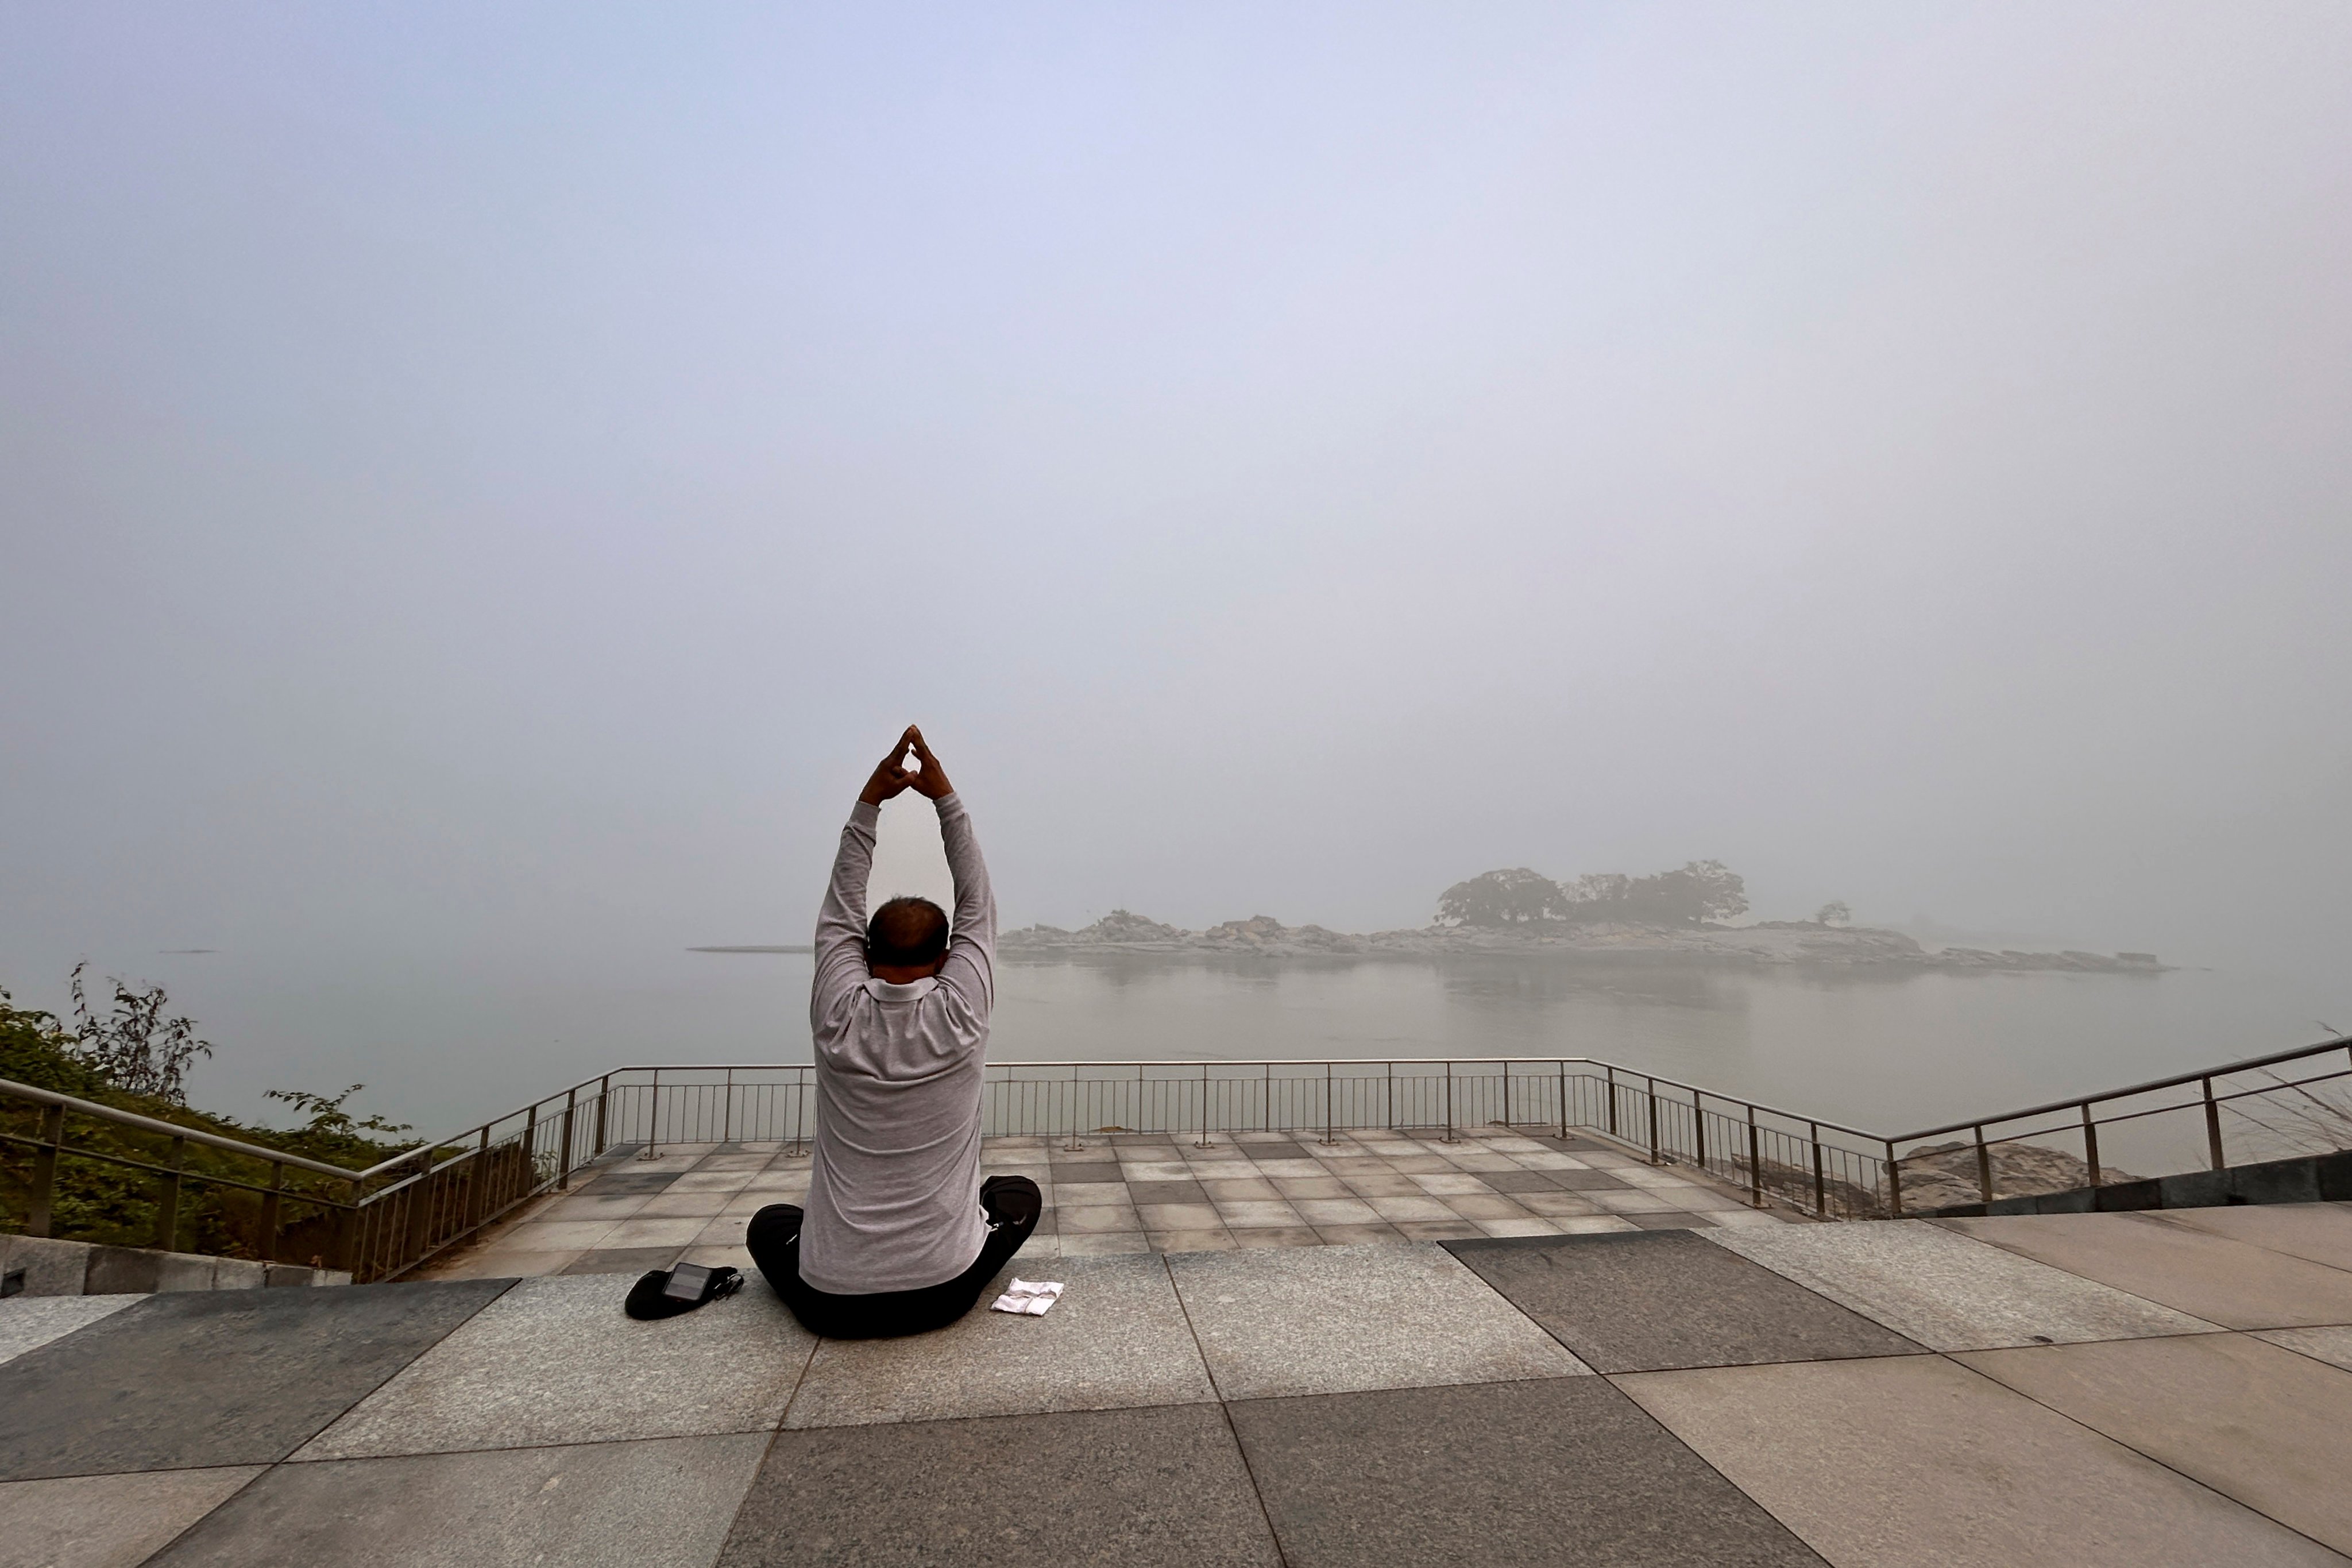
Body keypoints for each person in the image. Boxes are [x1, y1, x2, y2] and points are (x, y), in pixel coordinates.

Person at [746, 725, 1040, 1337]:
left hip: (828, 1301)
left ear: (862, 950)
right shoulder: (962, 1013)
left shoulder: (836, 1014)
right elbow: (978, 906)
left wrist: (869, 804)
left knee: (770, 1224)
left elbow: (839, 910)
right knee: (1016, 1194)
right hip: (942, 1294)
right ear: (946, 959)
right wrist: (945, 800)